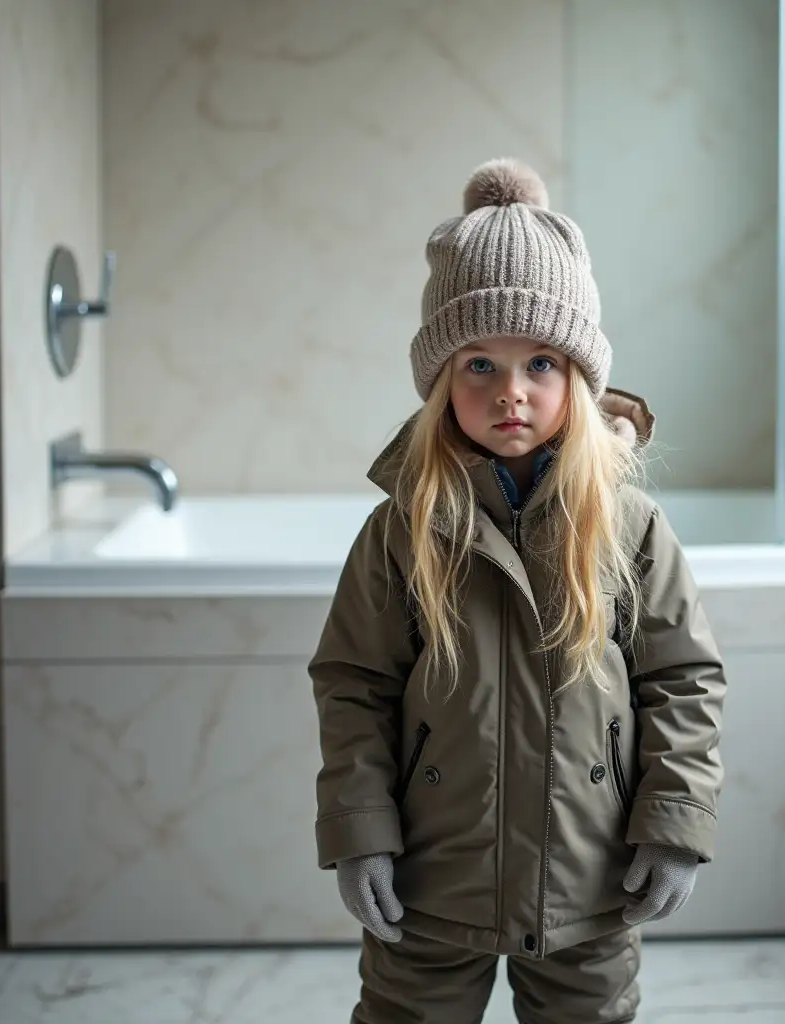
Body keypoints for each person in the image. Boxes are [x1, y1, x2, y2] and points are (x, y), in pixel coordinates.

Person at [310, 158, 726, 1024]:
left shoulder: (628, 523)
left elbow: (682, 680)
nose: (511, 392)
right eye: (478, 364)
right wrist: (360, 835)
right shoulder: (402, 527)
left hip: (588, 872)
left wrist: (674, 823)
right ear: (438, 382)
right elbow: (356, 684)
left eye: (541, 362)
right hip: (432, 876)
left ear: (580, 378)